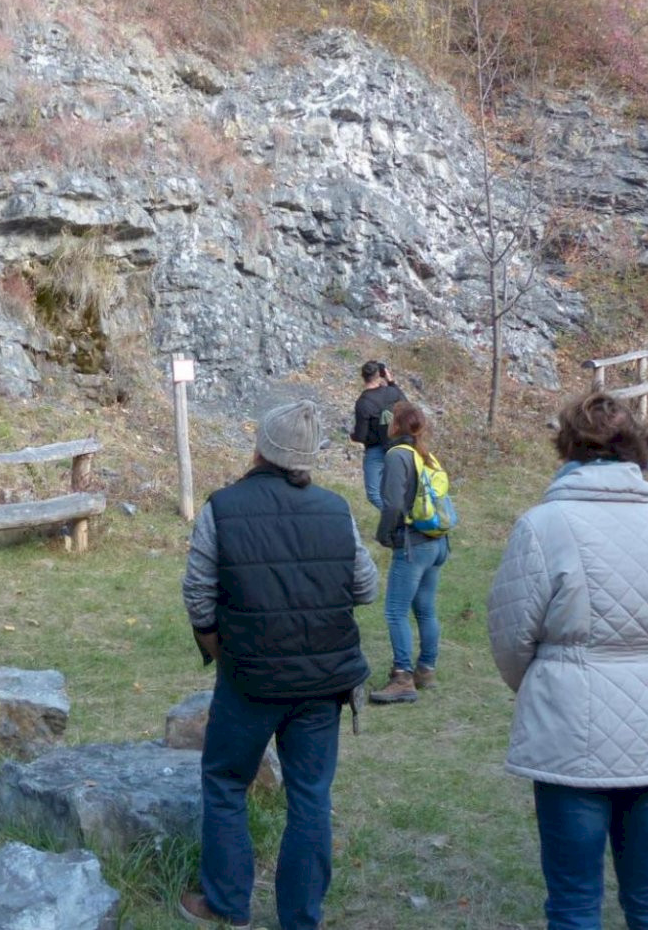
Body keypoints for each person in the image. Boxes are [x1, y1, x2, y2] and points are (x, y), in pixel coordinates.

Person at [487, 392, 648, 930]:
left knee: (575, 903)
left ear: (569, 445)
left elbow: (510, 638)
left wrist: (550, 683)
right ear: (636, 447)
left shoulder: (543, 525)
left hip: (569, 729)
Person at [179, 400, 378, 930]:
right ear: (308, 456)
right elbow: (366, 587)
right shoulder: (336, 509)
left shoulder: (222, 508)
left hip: (249, 679)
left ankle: (227, 904)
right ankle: (300, 918)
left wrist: (219, 651)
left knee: (226, 783)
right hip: (322, 683)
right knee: (310, 796)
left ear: (261, 447)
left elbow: (198, 597)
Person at [367, 400, 449, 705]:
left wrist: (384, 535)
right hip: (437, 541)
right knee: (425, 608)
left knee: (395, 611)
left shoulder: (397, 455)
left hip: (414, 544)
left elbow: (393, 504)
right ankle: (426, 669)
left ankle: (402, 677)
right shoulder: (425, 454)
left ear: (396, 425)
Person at [350, 361, 406, 511]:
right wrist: (391, 381)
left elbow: (361, 436)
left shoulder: (363, 403)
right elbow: (407, 406)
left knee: (374, 494)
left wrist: (352, 436)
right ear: (380, 374)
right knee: (399, 489)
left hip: (376, 450)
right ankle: (403, 516)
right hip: (398, 445)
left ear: (363, 377)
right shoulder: (392, 392)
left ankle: (396, 517)